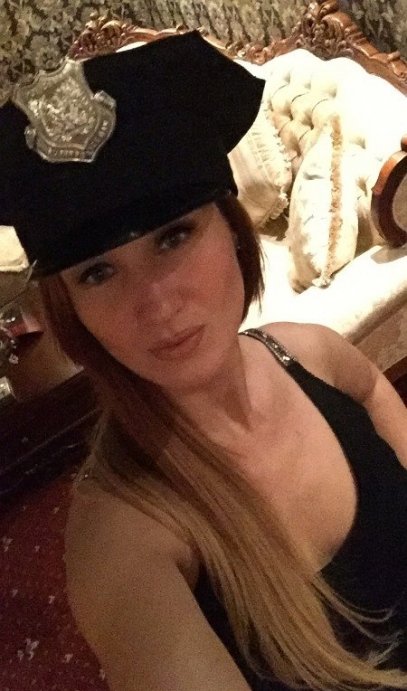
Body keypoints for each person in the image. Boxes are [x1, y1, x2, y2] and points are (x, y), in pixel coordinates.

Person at [1, 30, 407, 691]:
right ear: (70, 308)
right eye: (98, 272)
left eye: (174, 236)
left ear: (232, 231)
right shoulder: (123, 539)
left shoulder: (309, 352)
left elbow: (371, 393)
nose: (157, 304)